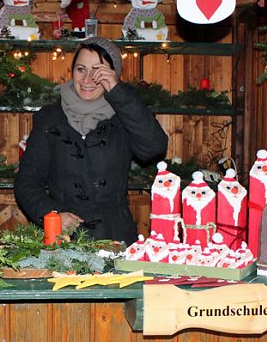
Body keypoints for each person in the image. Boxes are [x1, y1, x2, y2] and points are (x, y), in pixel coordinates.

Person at [14, 37, 168, 243]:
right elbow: (27, 182)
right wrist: (52, 215)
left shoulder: (125, 115)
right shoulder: (50, 118)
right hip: (66, 240)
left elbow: (153, 148)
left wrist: (118, 92)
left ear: (113, 75)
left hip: (116, 237)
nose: (87, 79)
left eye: (97, 71)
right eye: (81, 69)